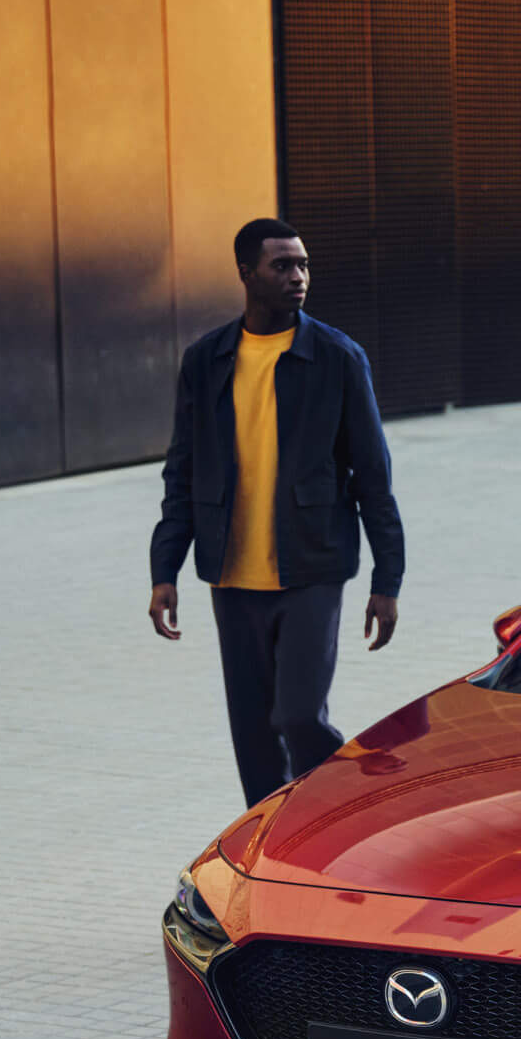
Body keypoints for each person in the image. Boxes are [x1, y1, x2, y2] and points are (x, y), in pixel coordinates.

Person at [148, 218, 405, 807]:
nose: (298, 277)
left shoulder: (338, 358)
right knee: (253, 732)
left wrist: (386, 579)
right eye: (282, 266)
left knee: (296, 715)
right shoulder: (207, 360)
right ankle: (268, 840)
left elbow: (373, 475)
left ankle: (349, 802)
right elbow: (182, 469)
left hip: (311, 567)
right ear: (246, 273)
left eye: (304, 265)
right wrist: (165, 568)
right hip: (232, 575)